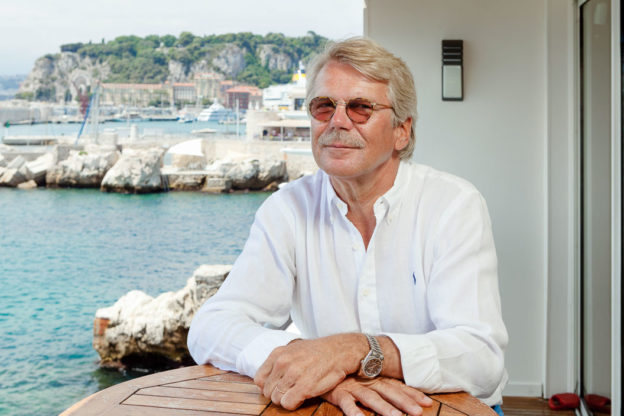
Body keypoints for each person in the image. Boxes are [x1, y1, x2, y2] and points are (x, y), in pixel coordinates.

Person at [188, 37, 508, 416]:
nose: (337, 121)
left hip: (446, 407)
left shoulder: (453, 205)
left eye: (360, 108)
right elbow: (210, 326)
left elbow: (481, 359)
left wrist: (355, 350)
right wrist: (319, 368)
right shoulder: (287, 209)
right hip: (336, 405)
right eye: (324, 106)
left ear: (401, 131)